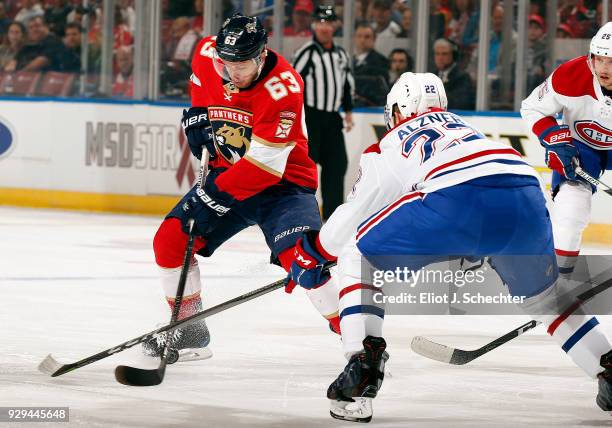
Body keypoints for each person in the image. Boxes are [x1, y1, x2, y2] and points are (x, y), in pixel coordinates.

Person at [289, 72, 612, 422]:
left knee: (358, 254)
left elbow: (353, 214)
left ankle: (362, 368)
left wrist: (314, 254)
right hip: (525, 195)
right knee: (547, 297)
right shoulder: (466, 128)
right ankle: (606, 365)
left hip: (456, 199)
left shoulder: (393, 140)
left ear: (398, 110)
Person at [145, 13, 341, 362]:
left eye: (242, 65)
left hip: (283, 187)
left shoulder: (284, 87)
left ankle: (359, 339)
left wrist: (212, 197)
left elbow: (265, 168)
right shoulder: (208, 54)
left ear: (261, 55)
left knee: (306, 262)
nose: (233, 73)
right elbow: (201, 85)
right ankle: (190, 332)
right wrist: (197, 115)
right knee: (170, 241)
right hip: (228, 174)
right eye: (226, 63)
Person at [521, 22, 612, 275]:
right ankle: (557, 289)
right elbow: (531, 108)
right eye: (599, 59)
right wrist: (554, 138)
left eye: (611, 61)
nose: (603, 68)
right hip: (582, 148)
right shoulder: (570, 75)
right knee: (571, 212)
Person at [292, 5, 354, 220]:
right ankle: (301, 212)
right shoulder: (306, 53)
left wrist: (348, 111)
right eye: (320, 23)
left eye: (328, 23)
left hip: (332, 118)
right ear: (313, 25)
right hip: (311, 117)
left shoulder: (341, 54)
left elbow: (346, 83)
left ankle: (333, 215)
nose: (324, 27)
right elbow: (294, 85)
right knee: (307, 166)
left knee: (337, 165)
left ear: (335, 26)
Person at [432, 38, 474, 110]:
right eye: (437, 54)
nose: (440, 58)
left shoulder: (462, 77)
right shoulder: (431, 76)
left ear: (454, 55)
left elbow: (462, 103)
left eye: (444, 54)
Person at [353, 22, 389, 106]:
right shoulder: (349, 60)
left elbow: (380, 89)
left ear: (374, 39)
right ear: (354, 38)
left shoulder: (380, 61)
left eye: (367, 37)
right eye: (359, 36)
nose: (362, 40)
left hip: (371, 107)